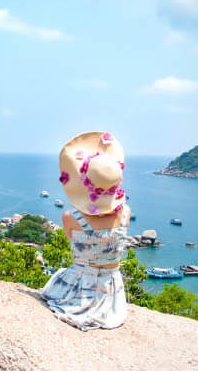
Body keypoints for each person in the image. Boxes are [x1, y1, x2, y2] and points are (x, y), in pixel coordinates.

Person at [40, 131, 130, 331]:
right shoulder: (126, 213)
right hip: (111, 291)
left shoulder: (71, 217)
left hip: (79, 287)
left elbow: (70, 239)